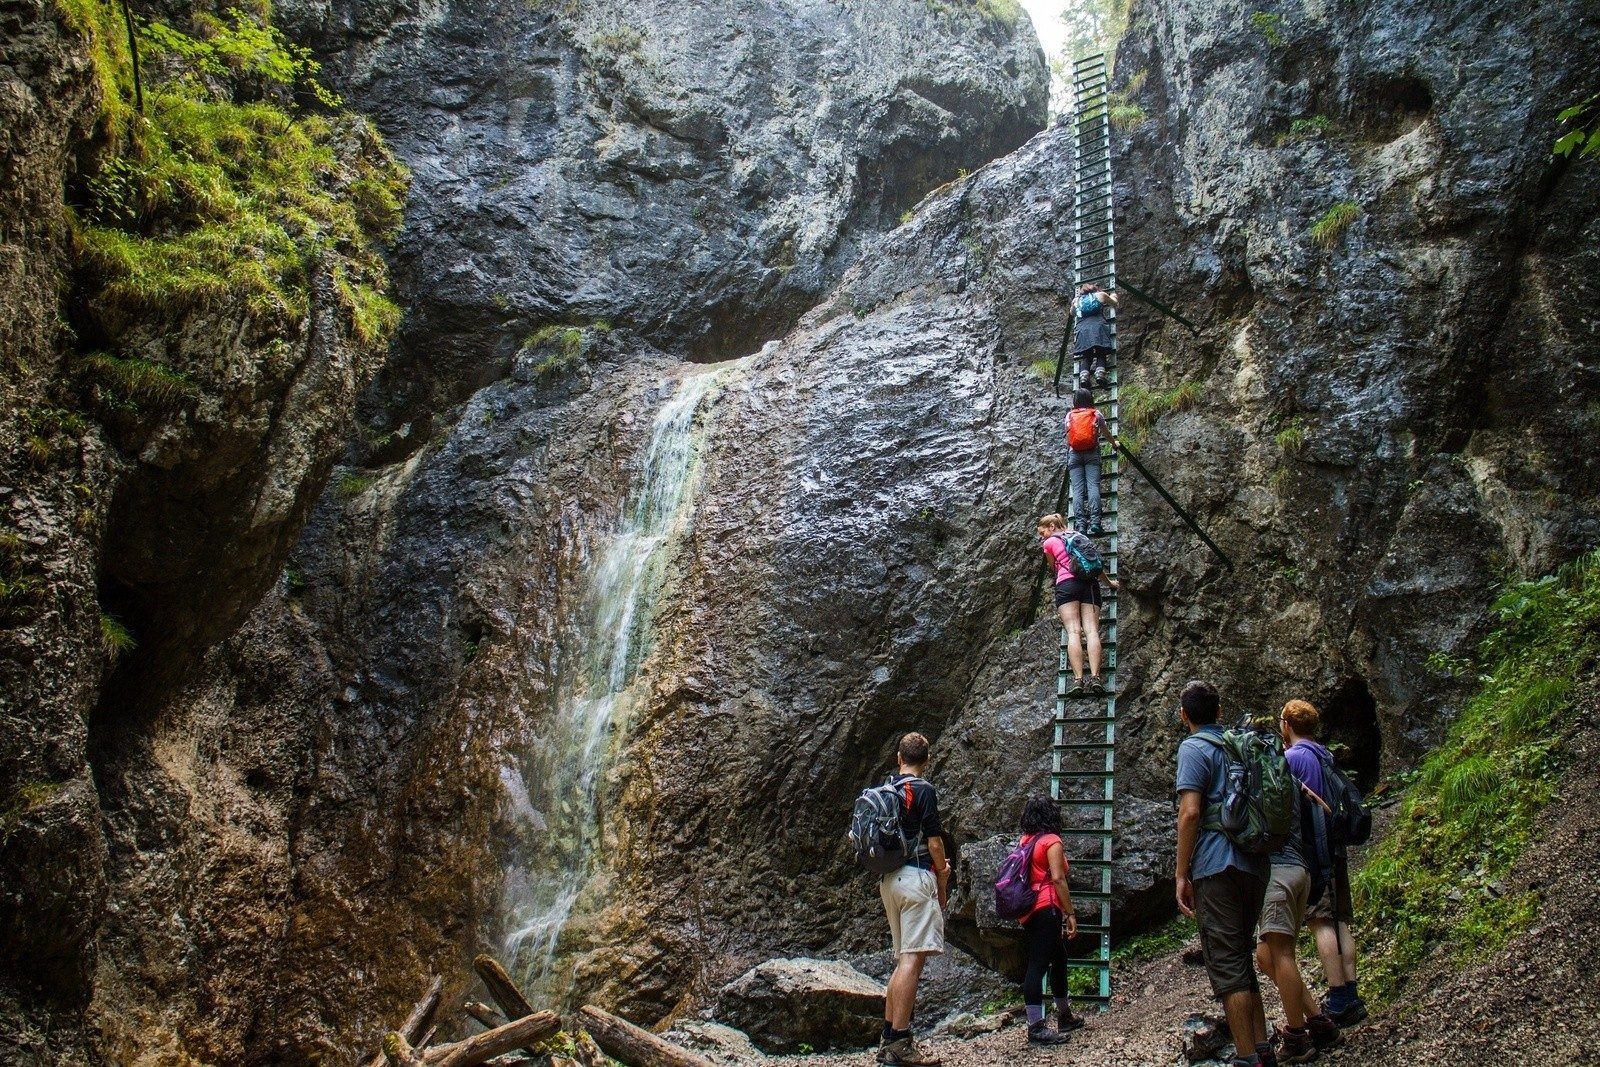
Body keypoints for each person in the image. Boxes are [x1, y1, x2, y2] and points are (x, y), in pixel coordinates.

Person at [1174, 681, 1275, 1067]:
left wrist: (1182, 873)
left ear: (1185, 715)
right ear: (1219, 712)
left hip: (1217, 866)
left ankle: (1247, 1057)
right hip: (1255, 862)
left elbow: (1191, 813)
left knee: (1230, 967)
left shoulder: (1193, 748)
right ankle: (1263, 1049)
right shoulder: (1240, 744)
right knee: (1242, 958)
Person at [1254, 702, 1342, 1062]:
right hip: (1301, 870)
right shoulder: (1287, 774)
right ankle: (1318, 1020)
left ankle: (1296, 1036)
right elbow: (1323, 808)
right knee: (1265, 956)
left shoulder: (1260, 777)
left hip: (1277, 873)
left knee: (1281, 953)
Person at [1279, 699, 1368, 1026]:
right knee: (1341, 918)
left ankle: (1338, 995)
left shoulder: (1293, 758)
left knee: (1321, 921)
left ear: (1287, 724)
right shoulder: (1323, 754)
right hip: (1335, 845)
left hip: (1314, 848)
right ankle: (1351, 993)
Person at [877, 732, 951, 1066]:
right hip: (917, 876)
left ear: (898, 757)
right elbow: (934, 842)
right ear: (927, 759)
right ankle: (900, 1043)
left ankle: (888, 1038)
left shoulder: (886, 788)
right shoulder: (923, 789)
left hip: (889, 879)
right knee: (912, 961)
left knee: (901, 960)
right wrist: (944, 872)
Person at [1013, 797, 1087, 1046]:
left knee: (1059, 958)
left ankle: (1065, 1015)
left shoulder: (1026, 841)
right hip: (1047, 908)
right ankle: (1035, 1028)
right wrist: (1070, 913)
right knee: (1038, 964)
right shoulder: (1051, 842)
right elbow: (1058, 879)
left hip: (1029, 909)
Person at [1036, 514, 1119, 696]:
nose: (1043, 537)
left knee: (1073, 631)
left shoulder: (1049, 544)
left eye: (1043, 532)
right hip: (1089, 584)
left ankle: (1078, 681)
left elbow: (1054, 568)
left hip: (1067, 586)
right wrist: (1110, 584)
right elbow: (1094, 564)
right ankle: (1096, 678)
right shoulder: (1080, 536)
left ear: (1051, 526)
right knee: (1092, 631)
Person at [1064, 388, 1116, 537]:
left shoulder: (1069, 416)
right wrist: (1113, 444)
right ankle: (1095, 523)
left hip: (1074, 454)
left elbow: (1068, 438)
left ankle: (1081, 525)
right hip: (1092, 453)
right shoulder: (1095, 414)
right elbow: (1105, 432)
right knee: (1093, 487)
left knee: (1078, 491)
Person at [1071, 282, 1119, 388]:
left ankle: (1083, 377)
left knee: (1086, 356)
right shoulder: (1100, 295)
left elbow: (1072, 313)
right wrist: (1113, 296)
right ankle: (1100, 375)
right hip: (1098, 326)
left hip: (1082, 328)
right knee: (1101, 352)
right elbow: (1114, 303)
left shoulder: (1077, 300)